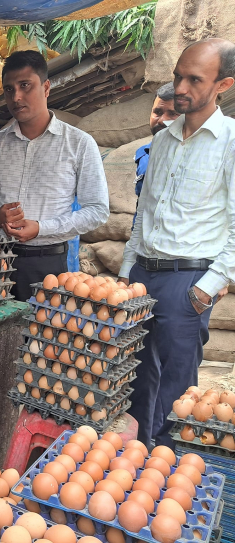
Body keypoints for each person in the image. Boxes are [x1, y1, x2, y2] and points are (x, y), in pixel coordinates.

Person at [119, 38, 235, 449]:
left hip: (188, 281)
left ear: (223, 85)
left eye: (193, 79)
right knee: (132, 373)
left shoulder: (231, 142)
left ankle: (166, 473)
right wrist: (124, 272)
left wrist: (209, 284)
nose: (181, 88)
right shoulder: (163, 139)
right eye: (177, 77)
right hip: (141, 274)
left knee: (176, 387)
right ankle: (134, 458)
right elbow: (144, 215)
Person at [0, 51, 109, 302]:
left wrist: (41, 228)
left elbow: (97, 211)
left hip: (48, 264)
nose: (16, 97)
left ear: (46, 87)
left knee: (39, 338)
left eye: (25, 86)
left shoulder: (79, 144)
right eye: (8, 89)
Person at [132, 83, 180, 227]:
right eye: (157, 112)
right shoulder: (143, 154)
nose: (162, 120)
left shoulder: (202, 155)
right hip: (144, 244)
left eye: (172, 113)